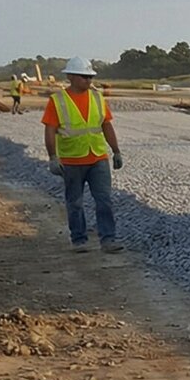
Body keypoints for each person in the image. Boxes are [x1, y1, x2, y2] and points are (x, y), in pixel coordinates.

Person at [41, 57, 125, 254]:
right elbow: (50, 130)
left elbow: (106, 124)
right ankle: (79, 239)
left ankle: (108, 239)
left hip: (98, 157)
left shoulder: (97, 98)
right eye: (84, 77)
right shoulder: (57, 101)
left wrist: (116, 151)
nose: (88, 81)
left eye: (90, 77)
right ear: (70, 76)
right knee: (75, 202)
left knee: (104, 200)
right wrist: (53, 157)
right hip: (72, 161)